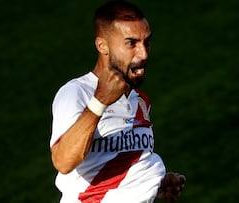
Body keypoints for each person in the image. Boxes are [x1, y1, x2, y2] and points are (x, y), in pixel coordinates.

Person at [49, 1, 186, 202]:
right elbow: (62, 161)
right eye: (131, 43)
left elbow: (111, 166)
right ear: (102, 46)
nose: (144, 54)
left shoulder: (139, 100)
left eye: (146, 42)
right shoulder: (77, 93)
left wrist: (151, 186)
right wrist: (99, 101)